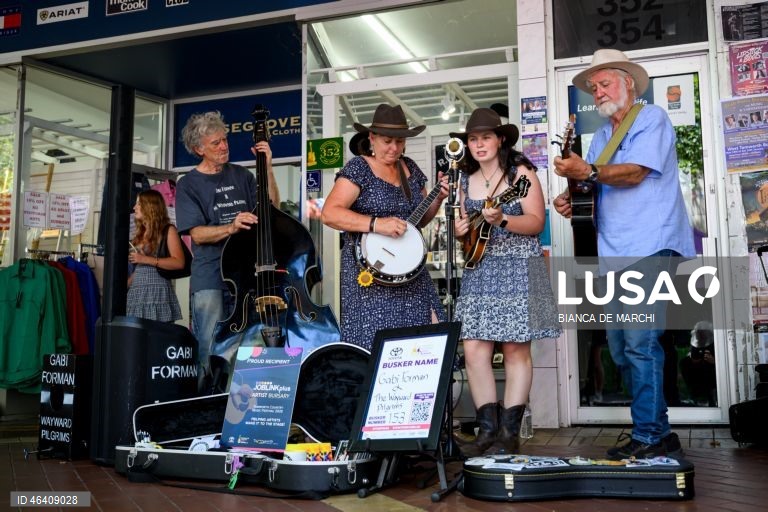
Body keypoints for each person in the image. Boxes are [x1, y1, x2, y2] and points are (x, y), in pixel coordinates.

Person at [553, 49, 695, 460]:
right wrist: (572, 197)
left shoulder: (651, 118)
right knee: (620, 348)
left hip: (650, 245)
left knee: (639, 342)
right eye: (593, 87)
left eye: (605, 83)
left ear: (628, 83)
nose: (598, 92)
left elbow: (634, 172)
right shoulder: (600, 137)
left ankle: (650, 434)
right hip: (613, 252)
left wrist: (589, 173)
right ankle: (660, 431)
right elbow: (596, 183)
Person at [451, 108, 561, 456]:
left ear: (500, 140)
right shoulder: (463, 180)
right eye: (473, 139)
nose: (479, 144)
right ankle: (487, 431)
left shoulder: (521, 174)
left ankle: (509, 433)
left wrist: (502, 221)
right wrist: (459, 232)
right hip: (479, 268)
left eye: (486, 137)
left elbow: (536, 222)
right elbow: (465, 231)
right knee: (474, 349)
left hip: (517, 265)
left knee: (515, 349)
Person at [321, 103, 449, 350]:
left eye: (400, 142)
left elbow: (419, 221)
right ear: (372, 138)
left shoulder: (409, 167)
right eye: (388, 141)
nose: (394, 148)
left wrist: (439, 198)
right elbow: (330, 214)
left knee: (429, 336)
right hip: (371, 275)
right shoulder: (359, 168)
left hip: (411, 270)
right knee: (378, 343)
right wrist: (377, 224)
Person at [175, 111, 280, 386]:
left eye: (224, 140)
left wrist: (267, 167)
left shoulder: (242, 174)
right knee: (211, 348)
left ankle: (243, 412)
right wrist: (230, 227)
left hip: (247, 275)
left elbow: (272, 209)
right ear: (199, 149)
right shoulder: (188, 184)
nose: (223, 147)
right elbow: (197, 234)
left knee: (250, 345)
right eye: (215, 144)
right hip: (210, 276)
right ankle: (209, 410)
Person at [126, 189, 184, 322]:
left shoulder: (168, 230)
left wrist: (145, 259)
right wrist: (126, 284)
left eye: (139, 204)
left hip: (157, 291)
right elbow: (140, 269)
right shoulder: (140, 233)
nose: (135, 207)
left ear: (150, 206)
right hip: (137, 293)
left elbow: (179, 262)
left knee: (158, 336)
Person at [679, 321, 716, 406]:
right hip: (697, 386)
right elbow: (691, 359)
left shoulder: (715, 345)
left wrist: (714, 362)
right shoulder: (695, 343)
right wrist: (694, 359)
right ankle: (699, 398)